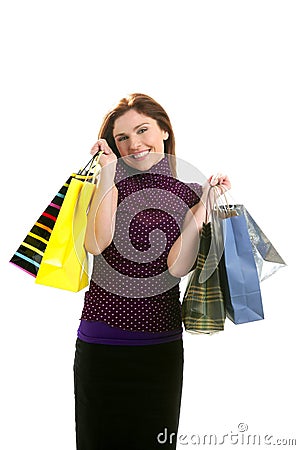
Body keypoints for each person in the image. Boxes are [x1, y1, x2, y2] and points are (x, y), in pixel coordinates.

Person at [73, 93, 231, 450]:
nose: (134, 144)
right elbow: (96, 244)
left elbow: (177, 265)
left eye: (143, 130)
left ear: (163, 131)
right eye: (122, 138)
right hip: (101, 347)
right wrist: (108, 174)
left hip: (160, 348)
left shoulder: (188, 193)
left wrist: (204, 203)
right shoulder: (106, 184)